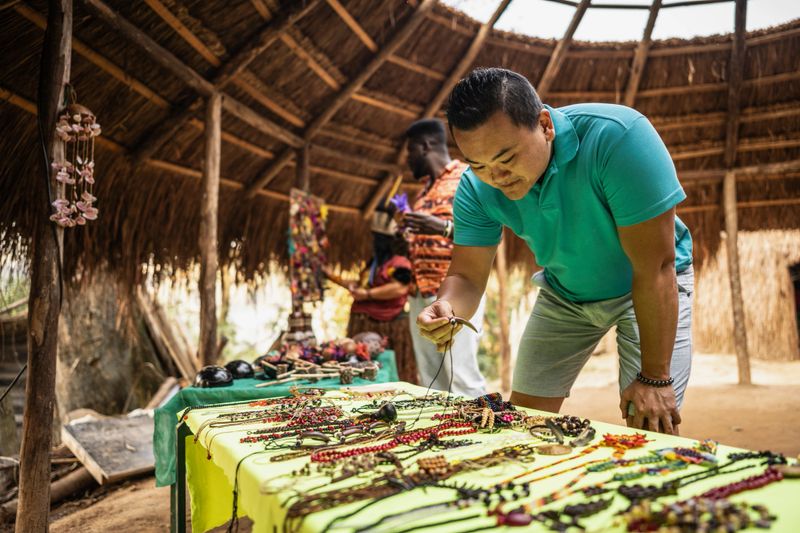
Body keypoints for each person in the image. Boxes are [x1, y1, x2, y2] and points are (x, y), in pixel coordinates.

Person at [416, 68, 694, 435]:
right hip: (565, 295)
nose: (495, 177)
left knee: (650, 420)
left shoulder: (618, 138)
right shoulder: (474, 188)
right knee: (525, 420)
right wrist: (448, 307)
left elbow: (657, 267)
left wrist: (656, 379)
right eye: (479, 165)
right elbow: (466, 276)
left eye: (506, 158)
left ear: (545, 125)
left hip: (645, 287)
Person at [402, 118, 487, 398]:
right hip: (420, 294)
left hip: (456, 294)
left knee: (460, 375)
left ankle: (479, 431)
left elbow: (486, 230)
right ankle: (440, 437)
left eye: (410, 150)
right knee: (430, 379)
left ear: (426, 146)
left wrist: (442, 227)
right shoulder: (424, 191)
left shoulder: (466, 177)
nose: (407, 159)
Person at [323, 208, 418, 383]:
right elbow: (360, 286)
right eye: (375, 238)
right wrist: (333, 277)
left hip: (387, 326)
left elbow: (400, 288)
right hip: (362, 324)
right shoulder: (374, 264)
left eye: (380, 239)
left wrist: (367, 294)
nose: (376, 243)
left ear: (389, 241)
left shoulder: (399, 263)